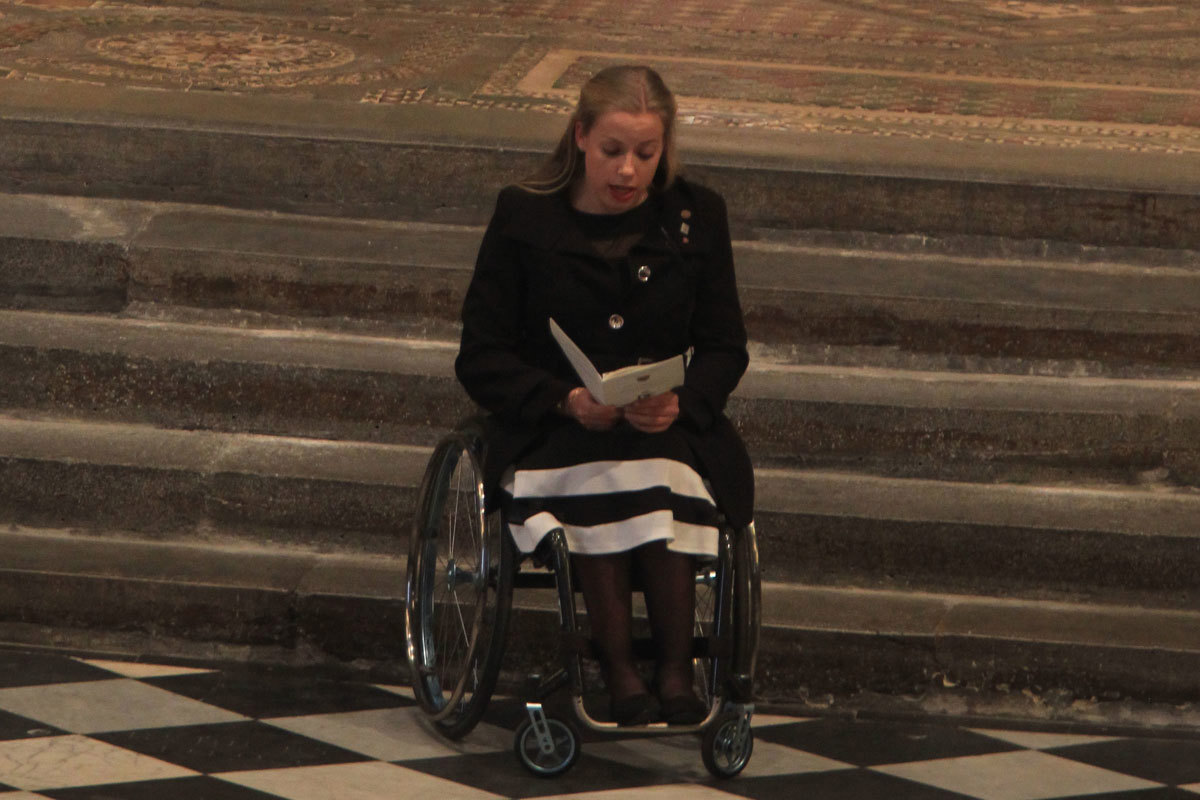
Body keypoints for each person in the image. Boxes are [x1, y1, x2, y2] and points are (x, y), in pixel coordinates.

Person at [455, 65, 753, 727]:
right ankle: (618, 671)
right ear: (582, 137)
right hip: (556, 425)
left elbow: (725, 345)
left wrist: (684, 402)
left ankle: (675, 670)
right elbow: (481, 354)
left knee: (657, 472)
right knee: (601, 477)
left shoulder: (694, 218)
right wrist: (565, 399)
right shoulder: (525, 215)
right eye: (613, 152)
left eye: (646, 155)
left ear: (665, 149)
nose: (627, 171)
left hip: (665, 426)